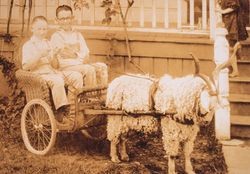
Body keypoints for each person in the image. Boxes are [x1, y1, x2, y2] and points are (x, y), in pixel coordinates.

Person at [22, 16, 83, 123]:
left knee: (76, 76)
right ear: (32, 29)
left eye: (44, 29)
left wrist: (54, 55)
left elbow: (55, 65)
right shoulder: (28, 45)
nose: (42, 32)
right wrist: (39, 54)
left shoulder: (47, 43)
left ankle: (73, 108)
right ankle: (61, 112)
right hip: (39, 74)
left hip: (52, 71)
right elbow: (26, 67)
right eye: (39, 29)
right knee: (58, 81)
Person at [50, 5, 108, 87]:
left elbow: (86, 54)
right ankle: (90, 96)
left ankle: (102, 94)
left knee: (102, 67)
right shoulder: (56, 37)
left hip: (80, 65)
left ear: (72, 18)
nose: (66, 21)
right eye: (62, 19)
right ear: (57, 20)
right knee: (89, 69)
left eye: (68, 18)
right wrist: (78, 55)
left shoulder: (78, 35)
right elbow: (61, 59)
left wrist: (75, 55)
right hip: (65, 68)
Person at [217, 0, 249, 77]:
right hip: (229, 22)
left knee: (230, 47)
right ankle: (238, 49)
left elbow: (234, 6)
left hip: (232, 23)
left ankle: (235, 71)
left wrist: (222, 11)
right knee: (232, 44)